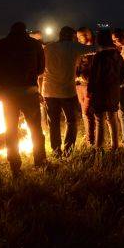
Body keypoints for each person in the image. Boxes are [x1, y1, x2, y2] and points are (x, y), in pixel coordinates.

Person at [0, 22, 46, 175]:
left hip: (9, 93)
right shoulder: (34, 44)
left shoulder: (0, 44)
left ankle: (15, 165)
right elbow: (41, 69)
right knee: (35, 128)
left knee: (11, 130)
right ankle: (40, 161)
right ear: (25, 31)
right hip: (29, 92)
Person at [42, 26, 96, 157]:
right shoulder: (73, 47)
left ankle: (56, 151)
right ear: (71, 37)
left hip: (49, 91)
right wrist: (110, 48)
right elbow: (94, 49)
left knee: (53, 123)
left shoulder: (48, 48)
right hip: (67, 92)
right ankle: (68, 150)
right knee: (71, 121)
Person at [88, 30, 124, 150]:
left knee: (99, 119)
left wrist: (90, 90)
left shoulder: (98, 56)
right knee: (113, 118)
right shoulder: (118, 56)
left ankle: (99, 147)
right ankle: (115, 145)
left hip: (100, 92)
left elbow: (94, 76)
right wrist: (116, 84)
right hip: (113, 91)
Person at [75, 27, 96, 146]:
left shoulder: (94, 50)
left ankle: (91, 141)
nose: (78, 39)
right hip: (79, 85)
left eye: (80, 37)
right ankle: (89, 134)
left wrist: (85, 77)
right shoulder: (80, 50)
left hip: (89, 85)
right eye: (77, 37)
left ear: (88, 35)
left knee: (88, 112)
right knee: (84, 112)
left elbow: (95, 69)